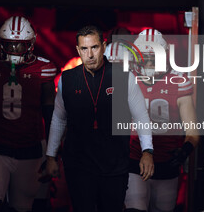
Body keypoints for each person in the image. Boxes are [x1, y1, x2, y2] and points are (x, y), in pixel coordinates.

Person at [46, 25, 154, 212]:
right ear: (78, 50)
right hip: (78, 166)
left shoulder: (123, 76)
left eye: (94, 47)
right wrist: (50, 156)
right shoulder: (68, 79)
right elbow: (59, 118)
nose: (90, 54)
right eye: (84, 49)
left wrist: (147, 151)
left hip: (114, 166)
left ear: (104, 46)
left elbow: (141, 117)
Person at [0, 16, 56, 212]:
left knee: (21, 207)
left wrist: (51, 154)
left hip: (29, 150)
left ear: (31, 44)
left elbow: (50, 114)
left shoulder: (43, 69)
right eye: (10, 45)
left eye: (20, 45)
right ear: (0, 43)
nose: (15, 51)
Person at [124, 28, 199, 212]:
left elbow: (193, 130)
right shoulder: (127, 80)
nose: (149, 60)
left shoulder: (178, 82)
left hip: (167, 163)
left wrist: (185, 150)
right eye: (145, 55)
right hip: (135, 161)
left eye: (153, 55)